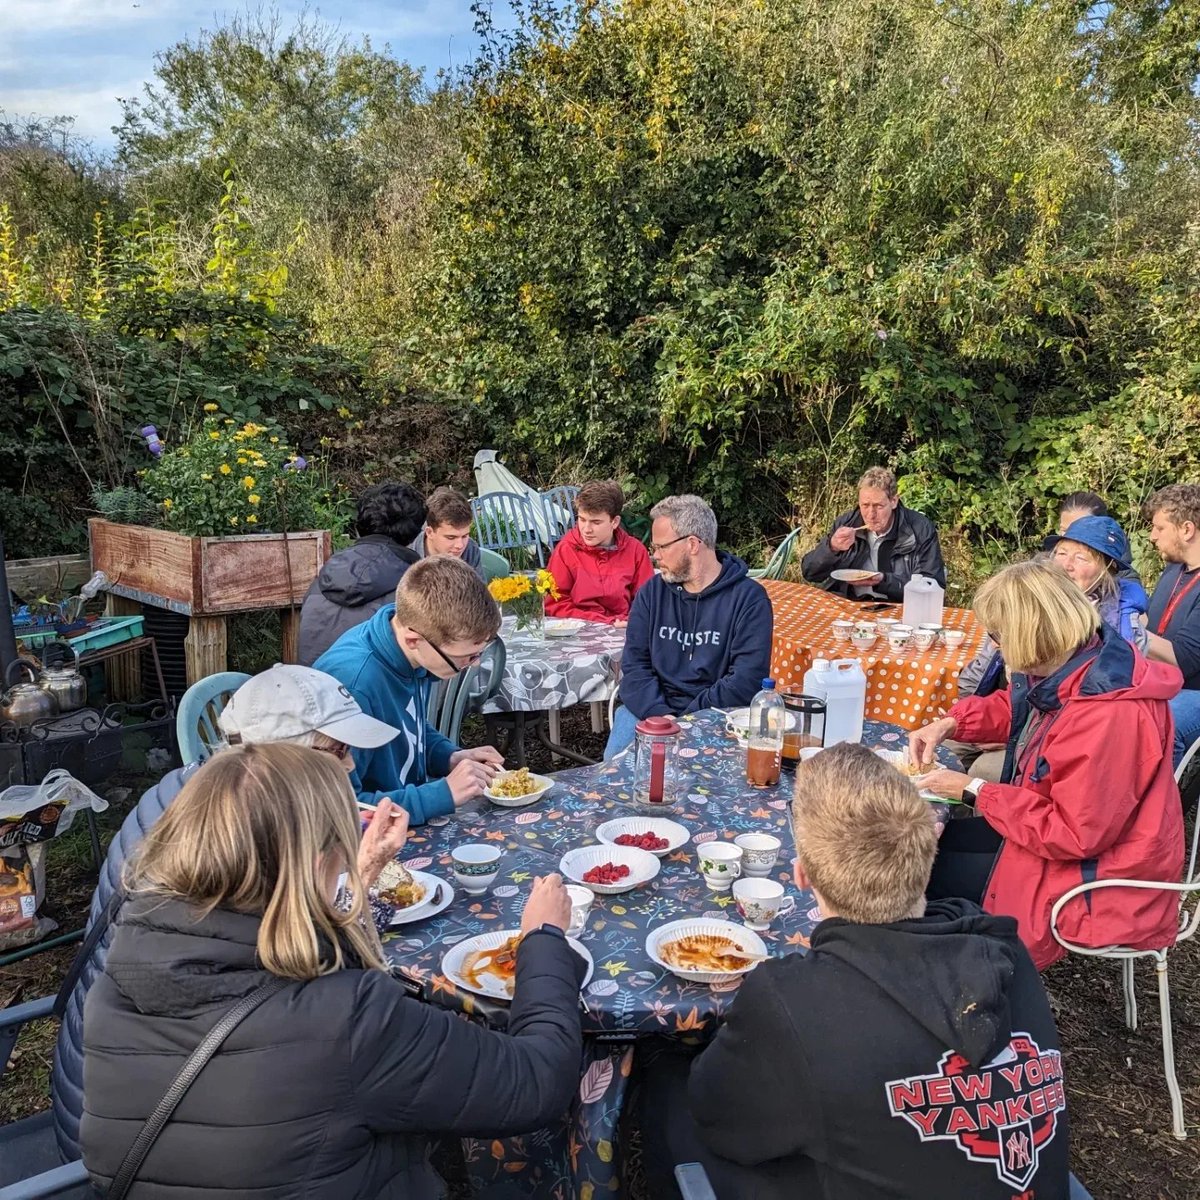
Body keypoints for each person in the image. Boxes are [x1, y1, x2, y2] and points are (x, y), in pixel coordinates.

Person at [80, 743, 584, 1199]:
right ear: (319, 861)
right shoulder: (351, 1019)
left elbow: (280, 966)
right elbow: (535, 1082)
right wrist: (541, 940)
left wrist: (360, 877)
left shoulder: (126, 970)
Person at [671, 745, 1070, 1199]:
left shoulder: (794, 1000)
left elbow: (720, 1124)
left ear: (802, 875)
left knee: (669, 1092)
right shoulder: (1004, 950)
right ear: (929, 858)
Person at [51, 664, 409, 1162]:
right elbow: (313, 973)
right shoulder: (234, 844)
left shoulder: (186, 790)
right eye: (337, 751)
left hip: (128, 1085)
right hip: (147, 1134)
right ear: (281, 756)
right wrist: (363, 872)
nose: (350, 768)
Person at [911, 558, 1183, 970]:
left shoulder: (1109, 714)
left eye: (998, 636)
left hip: (1097, 882)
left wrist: (973, 790)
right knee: (921, 846)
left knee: (915, 876)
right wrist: (953, 722)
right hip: (1063, 845)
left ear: (1031, 634)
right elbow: (1023, 707)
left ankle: (958, 984)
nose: (995, 646)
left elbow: (1072, 834)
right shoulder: (1082, 661)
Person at [315, 555, 505, 818]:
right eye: (467, 656)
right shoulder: (355, 686)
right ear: (414, 639)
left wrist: (449, 757)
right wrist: (442, 794)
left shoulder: (411, 648)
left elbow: (406, 729)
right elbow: (337, 808)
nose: (475, 664)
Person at [605, 495, 773, 757]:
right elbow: (634, 666)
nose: (655, 556)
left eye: (661, 547)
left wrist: (687, 720)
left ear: (693, 544)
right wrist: (661, 715)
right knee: (614, 768)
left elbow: (745, 680)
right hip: (649, 710)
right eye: (653, 547)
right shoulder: (651, 593)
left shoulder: (749, 600)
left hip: (719, 716)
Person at [298, 482, 426, 665]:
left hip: (308, 680)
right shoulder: (413, 589)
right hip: (370, 683)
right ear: (415, 533)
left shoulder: (321, 581)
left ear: (359, 525)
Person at [801, 467, 945, 601]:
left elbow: (932, 586)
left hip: (897, 607)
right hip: (849, 604)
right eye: (865, 505)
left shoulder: (919, 529)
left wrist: (884, 580)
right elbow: (810, 573)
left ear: (894, 501)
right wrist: (832, 548)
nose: (871, 515)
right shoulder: (847, 523)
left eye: (878, 506)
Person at [1138, 484, 1200, 769]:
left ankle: (1162, 797)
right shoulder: (1175, 569)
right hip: (1162, 682)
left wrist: (1127, 628)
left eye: (1159, 528)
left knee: (1161, 722)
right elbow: (1151, 624)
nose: (1152, 536)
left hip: (1193, 691)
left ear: (1186, 529)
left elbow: (1182, 659)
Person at [544, 479, 653, 625]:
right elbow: (555, 604)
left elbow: (647, 602)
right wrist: (605, 621)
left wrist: (631, 621)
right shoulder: (565, 550)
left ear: (615, 522)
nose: (586, 529)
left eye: (596, 522)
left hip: (624, 628)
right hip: (578, 629)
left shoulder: (636, 551)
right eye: (582, 520)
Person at [1045, 514, 1148, 640]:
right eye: (1062, 553)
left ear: (1108, 571)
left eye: (1080, 558)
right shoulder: (1031, 599)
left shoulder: (1123, 625)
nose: (1066, 565)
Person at [409, 486, 485, 578]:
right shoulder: (405, 554)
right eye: (451, 537)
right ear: (430, 532)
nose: (460, 545)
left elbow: (479, 587)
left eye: (465, 536)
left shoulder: (471, 549)